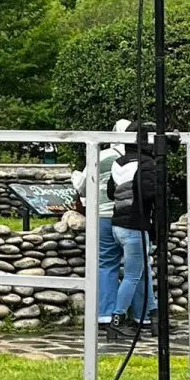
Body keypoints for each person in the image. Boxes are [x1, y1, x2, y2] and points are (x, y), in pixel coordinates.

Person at [72, 119, 133, 329]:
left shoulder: (101, 155)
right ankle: (138, 316)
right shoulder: (134, 158)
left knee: (107, 264)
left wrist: (75, 177)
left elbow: (82, 187)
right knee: (136, 269)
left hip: (102, 216)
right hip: (128, 217)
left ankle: (105, 314)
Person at [107, 124, 159, 342]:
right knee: (132, 275)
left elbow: (111, 192)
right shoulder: (146, 163)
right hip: (135, 226)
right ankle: (116, 321)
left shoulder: (118, 162)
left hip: (118, 225)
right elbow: (150, 194)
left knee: (143, 270)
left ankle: (154, 316)